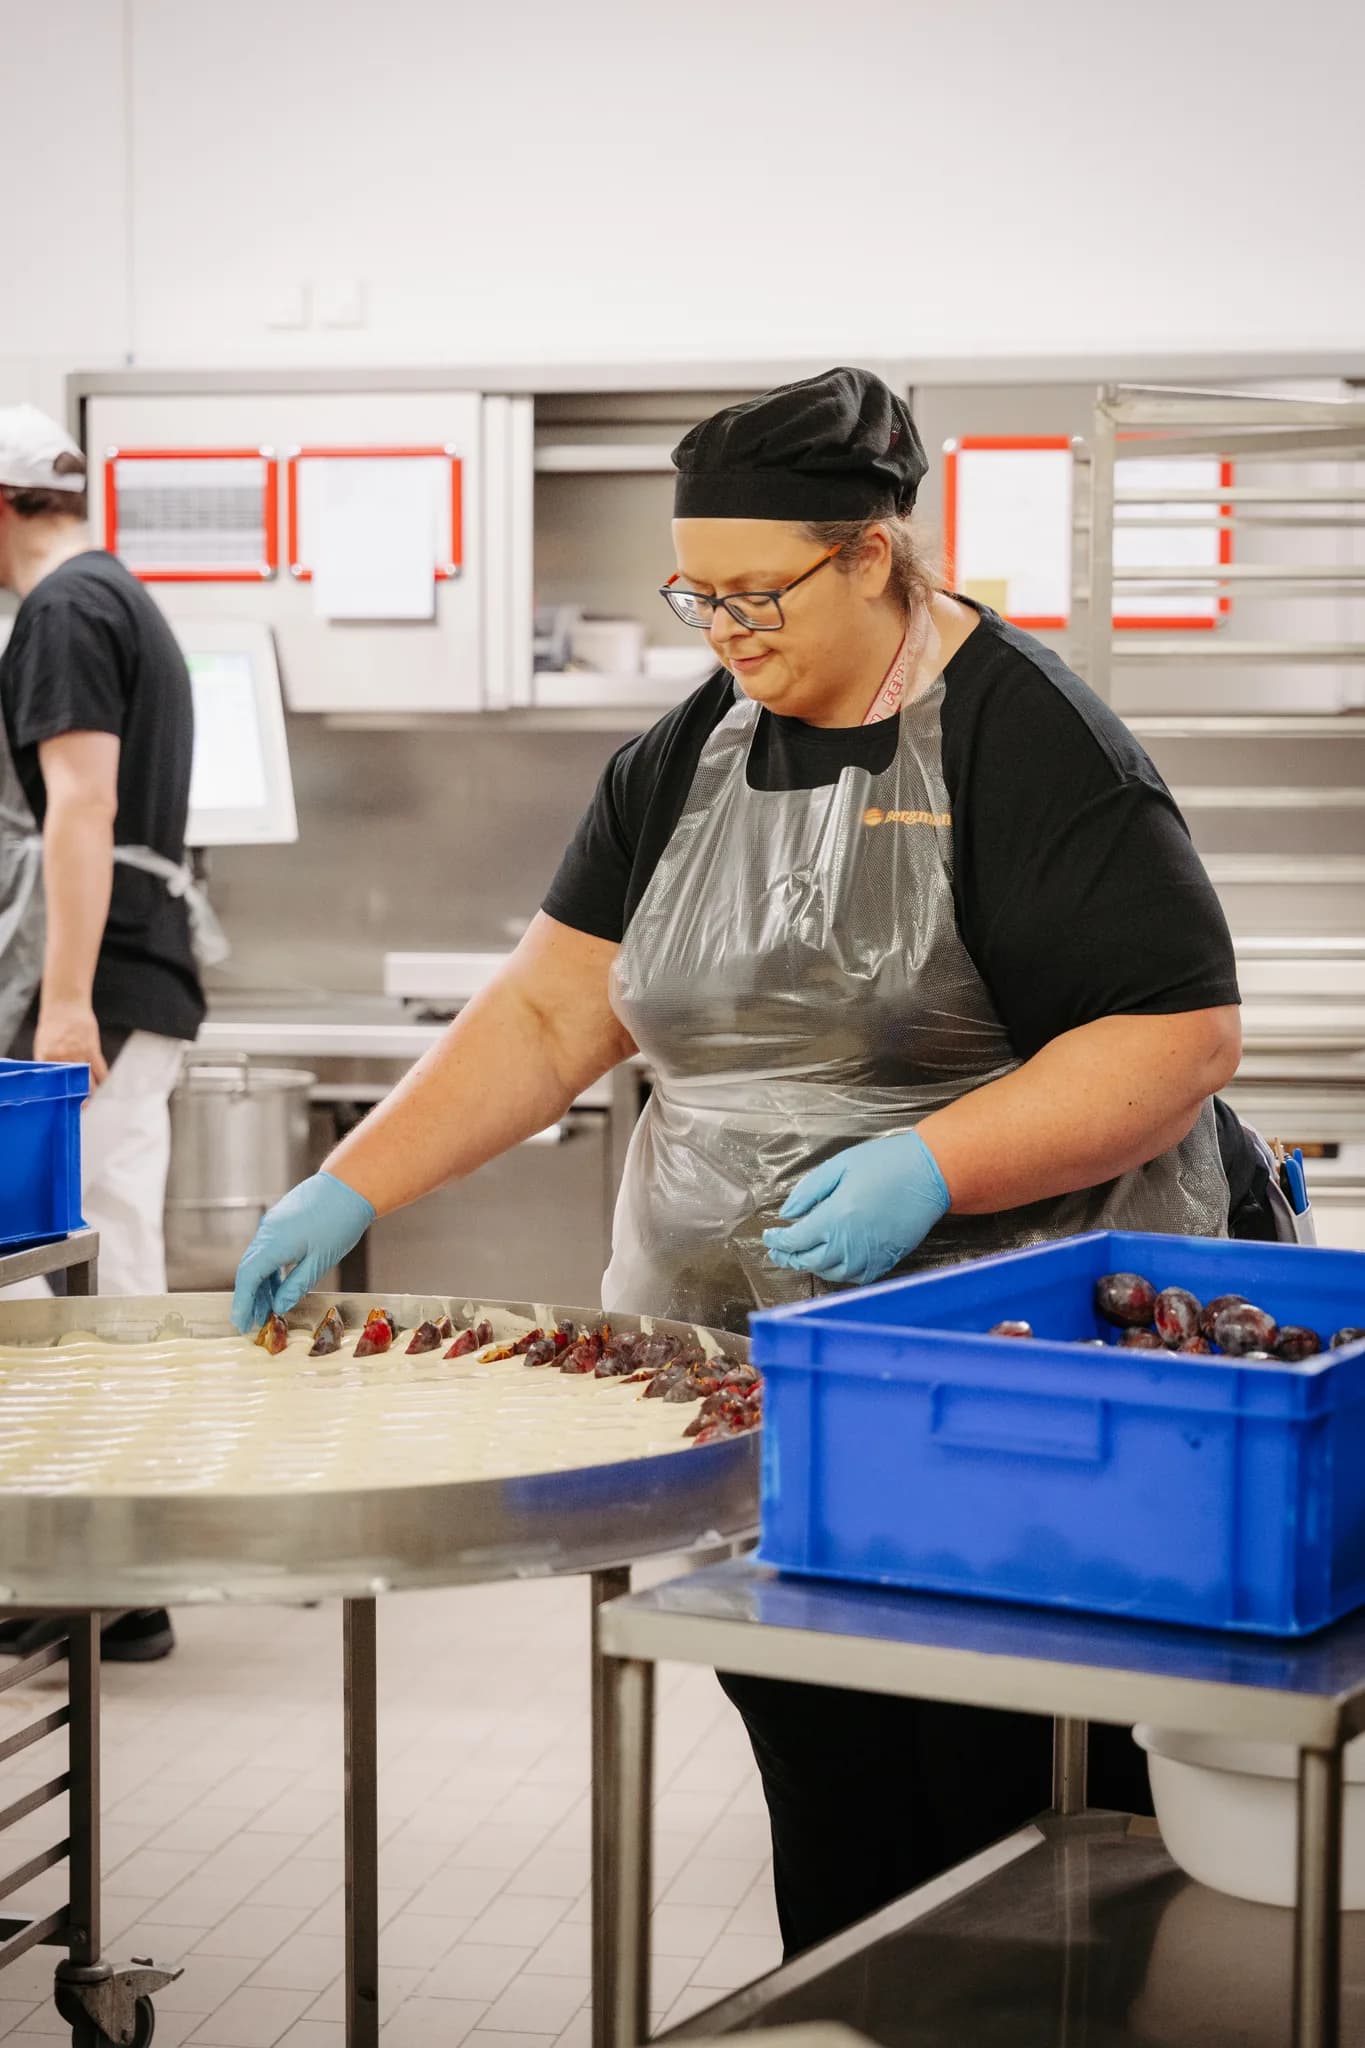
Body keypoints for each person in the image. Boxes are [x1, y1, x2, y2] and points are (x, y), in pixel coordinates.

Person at [232, 367, 1251, 1946]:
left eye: (758, 595)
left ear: (872, 553)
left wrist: (938, 1162)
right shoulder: (691, 751)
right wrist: (356, 1179)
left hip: (1003, 1394)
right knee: (828, 1771)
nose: (730, 633)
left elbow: (1171, 1041)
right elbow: (557, 1010)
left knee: (1009, 1796)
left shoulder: (1027, 742)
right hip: (766, 1392)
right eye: (698, 596)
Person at [0, 403, 209, 1663]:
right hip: (136, 972)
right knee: (109, 1246)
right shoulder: (117, 591)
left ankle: (111, 1574)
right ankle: (115, 1571)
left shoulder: (66, 610)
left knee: (89, 1259)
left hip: (104, 985)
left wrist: (63, 997)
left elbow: (81, 803)